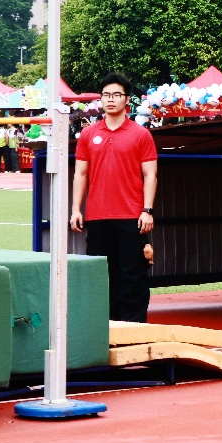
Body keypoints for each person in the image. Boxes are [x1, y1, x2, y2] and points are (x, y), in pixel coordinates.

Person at [71, 73, 157, 323]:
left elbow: (150, 175)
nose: (110, 99)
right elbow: (80, 173)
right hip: (97, 216)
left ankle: (134, 329)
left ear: (127, 99)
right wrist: (76, 209)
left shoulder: (141, 134)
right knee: (101, 276)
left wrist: (147, 210)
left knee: (133, 275)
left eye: (116, 95)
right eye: (106, 95)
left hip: (132, 216)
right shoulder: (88, 134)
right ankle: (104, 328)